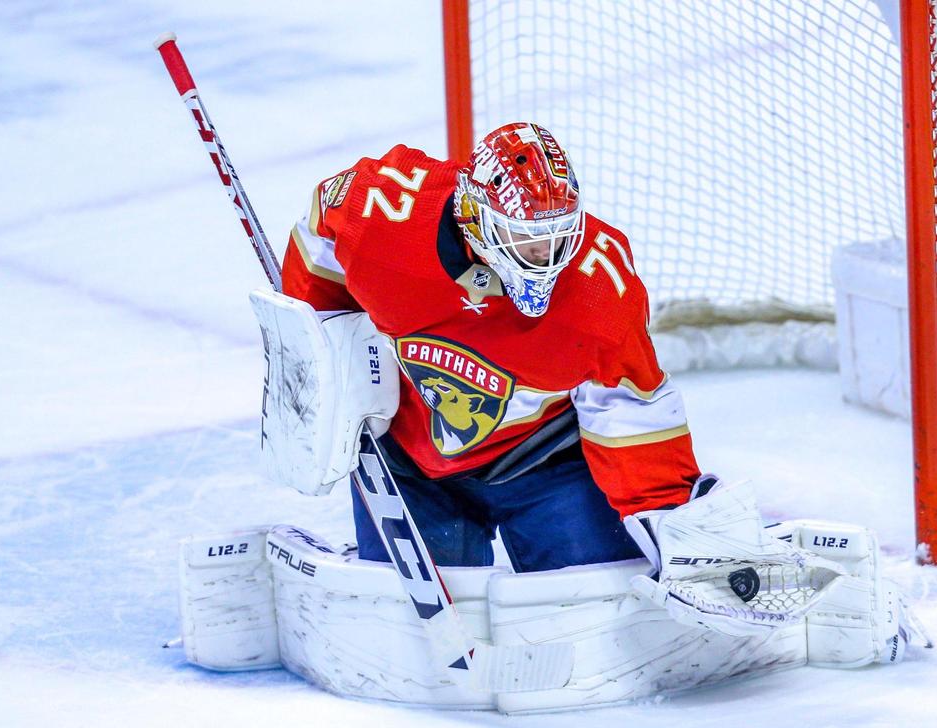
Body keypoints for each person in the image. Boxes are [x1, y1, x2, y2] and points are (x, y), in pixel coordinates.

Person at [279, 122, 706, 573]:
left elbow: (629, 406)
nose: (546, 253)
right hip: (410, 460)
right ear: (474, 215)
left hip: (548, 460)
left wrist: (668, 521)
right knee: (397, 621)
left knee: (598, 594)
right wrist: (320, 332)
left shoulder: (597, 288)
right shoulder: (385, 213)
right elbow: (322, 227)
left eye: (559, 233)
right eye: (525, 236)